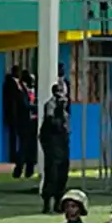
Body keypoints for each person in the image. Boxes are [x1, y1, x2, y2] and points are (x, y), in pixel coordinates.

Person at [38, 87, 69, 215]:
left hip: (62, 143)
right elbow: (52, 123)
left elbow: (65, 126)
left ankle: (58, 202)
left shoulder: (64, 109)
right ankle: (47, 203)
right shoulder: (51, 105)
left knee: (62, 172)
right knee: (52, 172)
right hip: (52, 143)